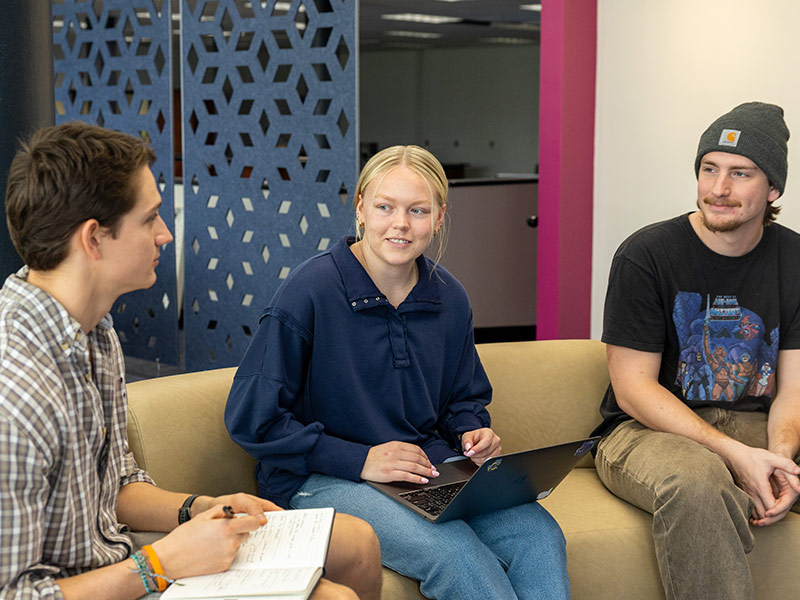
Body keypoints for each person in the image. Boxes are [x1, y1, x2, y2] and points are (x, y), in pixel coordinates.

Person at [0, 121, 381, 600]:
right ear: (93, 239)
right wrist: (161, 564)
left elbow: (115, 484)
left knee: (357, 543)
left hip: (119, 560)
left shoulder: (94, 332)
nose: (164, 234)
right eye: (149, 219)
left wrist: (202, 509)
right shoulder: (16, 391)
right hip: (105, 580)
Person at [225, 145, 570, 600]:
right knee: (454, 554)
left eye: (418, 210)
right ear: (360, 208)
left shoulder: (450, 297)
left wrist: (471, 432)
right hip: (319, 479)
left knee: (540, 536)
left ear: (439, 217)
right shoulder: (308, 291)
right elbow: (253, 418)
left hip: (425, 468)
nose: (400, 224)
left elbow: (462, 399)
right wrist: (361, 460)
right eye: (385, 207)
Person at [593, 101, 800, 600]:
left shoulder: (794, 259)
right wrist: (735, 455)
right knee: (697, 482)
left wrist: (779, 458)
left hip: (756, 424)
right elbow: (633, 390)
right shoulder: (646, 254)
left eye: (740, 173)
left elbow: (793, 388)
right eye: (709, 169)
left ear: (773, 188)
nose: (718, 188)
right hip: (649, 431)